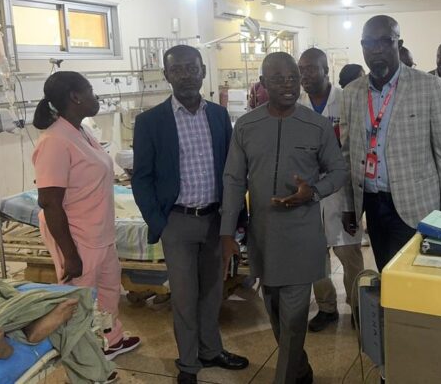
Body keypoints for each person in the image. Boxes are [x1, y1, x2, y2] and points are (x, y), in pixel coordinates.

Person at [220, 52, 348, 384]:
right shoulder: (247, 126)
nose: (288, 85)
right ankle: (301, 370)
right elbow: (233, 180)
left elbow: (338, 171)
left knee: (292, 320)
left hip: (302, 236)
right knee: (277, 315)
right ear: (263, 83)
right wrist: (226, 233)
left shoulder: (316, 125)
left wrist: (313, 192)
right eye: (278, 79)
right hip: (263, 237)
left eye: (293, 78)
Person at [132, 45, 248, 384]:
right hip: (177, 222)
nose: (185, 75)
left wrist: (234, 220)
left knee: (212, 291)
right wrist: (160, 222)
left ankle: (211, 350)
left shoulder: (218, 116)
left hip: (215, 221)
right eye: (177, 69)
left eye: (191, 68)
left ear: (203, 72)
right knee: (184, 297)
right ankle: (188, 364)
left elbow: (232, 171)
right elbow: (142, 178)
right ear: (167, 75)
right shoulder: (150, 122)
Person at [31, 71, 141, 362]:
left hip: (99, 232)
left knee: (108, 290)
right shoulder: (54, 141)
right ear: (75, 97)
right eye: (91, 91)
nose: (96, 97)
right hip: (77, 236)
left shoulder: (81, 131)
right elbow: (49, 202)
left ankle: (110, 340)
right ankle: (83, 362)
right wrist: (70, 255)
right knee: (78, 300)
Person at [340, 15, 441, 272]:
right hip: (372, 203)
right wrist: (348, 206)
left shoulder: (429, 86)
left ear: (399, 43)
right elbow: (346, 154)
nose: (376, 50)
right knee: (386, 272)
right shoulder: (351, 92)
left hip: (417, 204)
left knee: (415, 276)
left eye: (384, 41)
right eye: (369, 43)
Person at [297, 48, 364, 333]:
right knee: (315, 254)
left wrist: (352, 206)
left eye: (311, 68)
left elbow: (355, 150)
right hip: (309, 190)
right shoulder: (297, 105)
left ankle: (359, 308)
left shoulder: (345, 100)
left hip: (341, 189)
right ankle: (326, 308)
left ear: (326, 70)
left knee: (349, 254)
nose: (305, 75)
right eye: (301, 69)